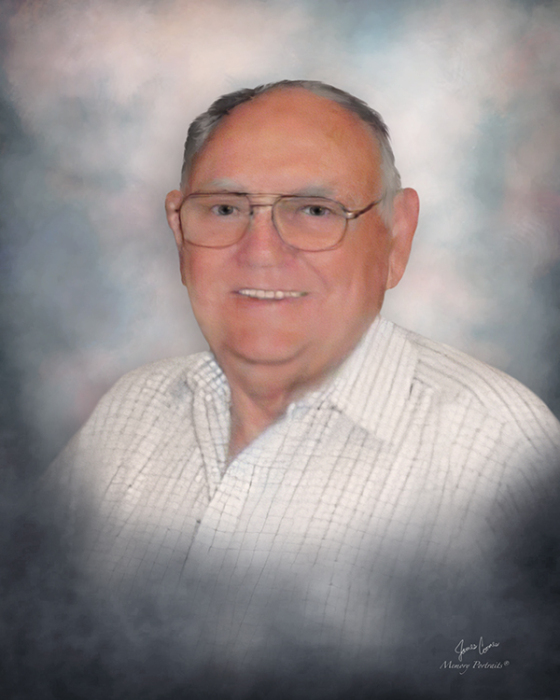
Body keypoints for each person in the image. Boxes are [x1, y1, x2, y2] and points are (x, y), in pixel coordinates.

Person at [44, 80, 560, 697]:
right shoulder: (129, 414)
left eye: (314, 211)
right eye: (225, 209)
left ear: (396, 236)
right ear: (180, 232)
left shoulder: (499, 449)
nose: (261, 252)